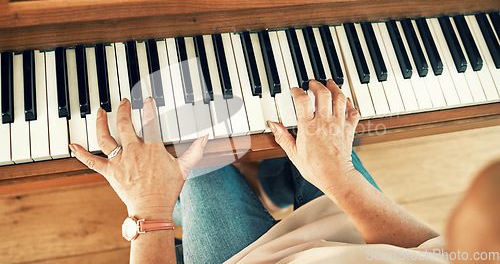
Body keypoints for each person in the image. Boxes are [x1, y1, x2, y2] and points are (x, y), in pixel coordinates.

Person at [69, 79, 500, 263]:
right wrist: (339, 177)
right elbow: (428, 250)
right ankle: (280, 183)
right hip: (353, 237)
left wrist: (150, 207)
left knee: (194, 151)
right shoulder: (480, 253)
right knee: (306, 135)